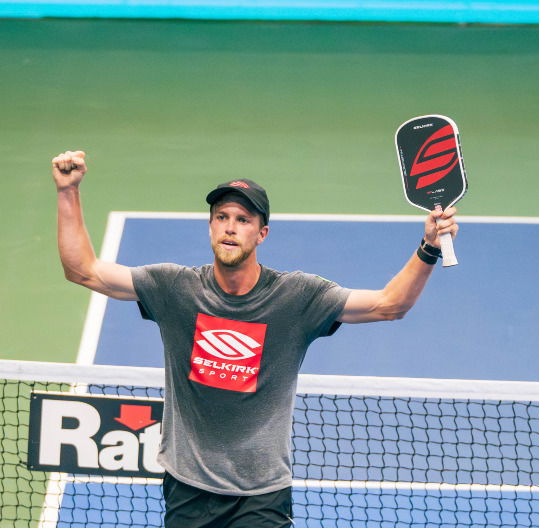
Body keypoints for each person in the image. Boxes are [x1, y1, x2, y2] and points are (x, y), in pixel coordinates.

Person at [50, 150, 457, 527]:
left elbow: (389, 305)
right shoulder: (175, 288)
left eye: (243, 220)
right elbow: (83, 270)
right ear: (211, 226)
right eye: (222, 217)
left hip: (261, 496)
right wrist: (68, 191)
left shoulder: (296, 298)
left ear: (262, 233)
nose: (230, 227)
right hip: (188, 489)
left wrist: (429, 247)